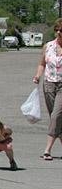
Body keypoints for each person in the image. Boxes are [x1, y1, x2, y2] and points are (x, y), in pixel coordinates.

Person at [32, 17, 62, 160]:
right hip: (49, 84)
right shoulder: (48, 46)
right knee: (55, 118)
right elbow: (42, 64)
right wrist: (38, 75)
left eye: (61, 30)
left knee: (56, 116)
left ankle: (47, 149)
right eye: (57, 30)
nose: (58, 33)